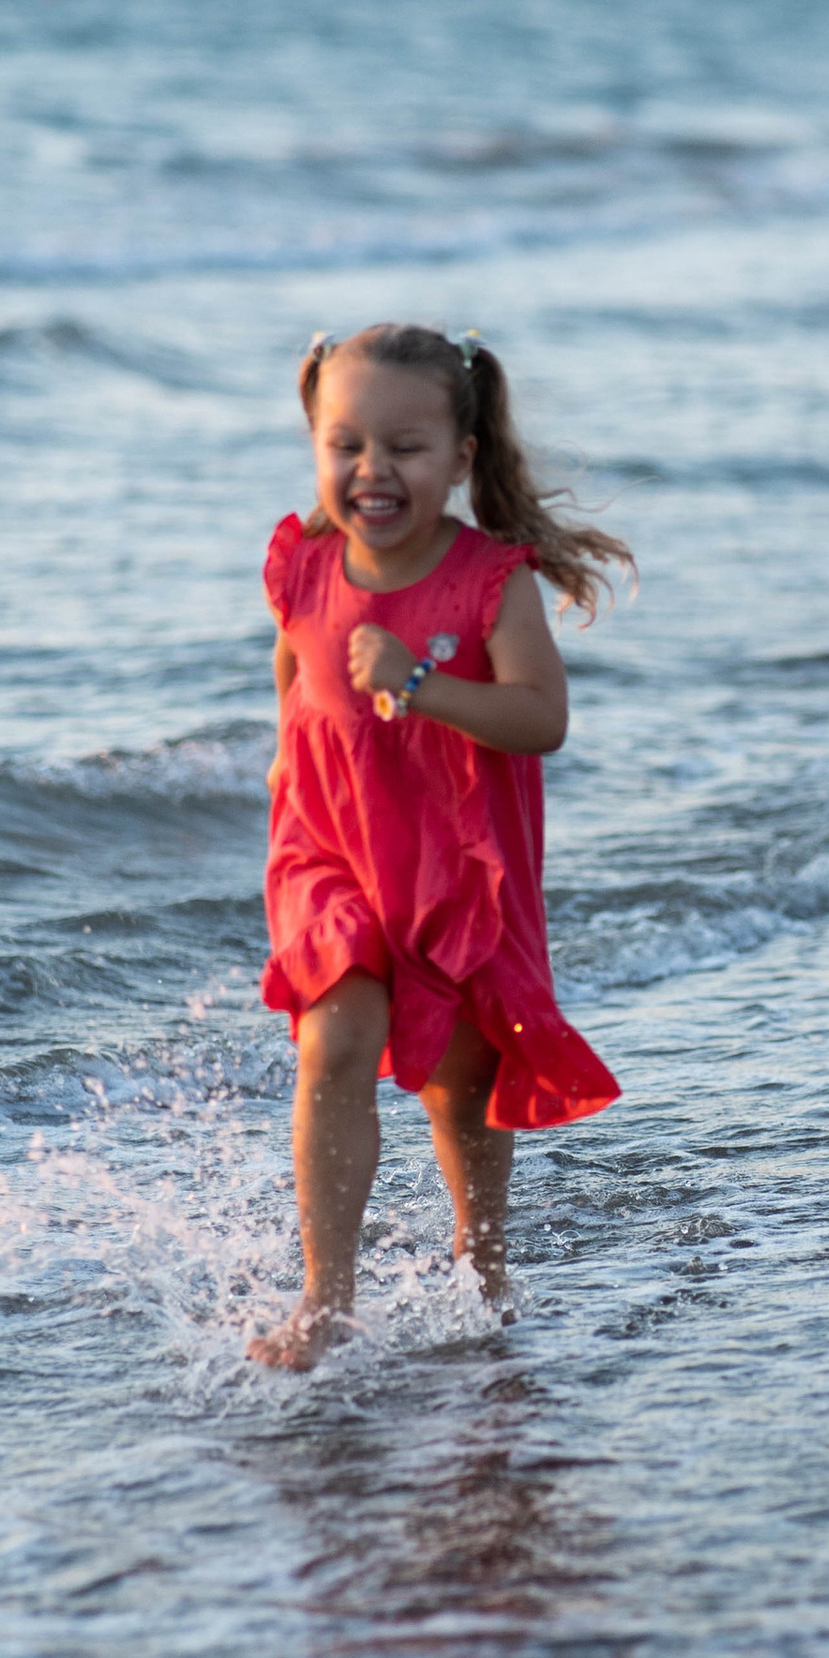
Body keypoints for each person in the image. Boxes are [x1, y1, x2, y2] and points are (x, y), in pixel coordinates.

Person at [251, 323, 630, 1364]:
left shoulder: (487, 582)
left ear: (461, 458)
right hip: (331, 853)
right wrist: (287, 768)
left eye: (403, 448)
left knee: (458, 1086)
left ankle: (482, 1258)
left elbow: (541, 718)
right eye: (345, 444)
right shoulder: (303, 565)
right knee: (334, 1043)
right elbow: (295, 675)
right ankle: (325, 1298)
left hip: (456, 863)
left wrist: (420, 683)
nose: (371, 470)